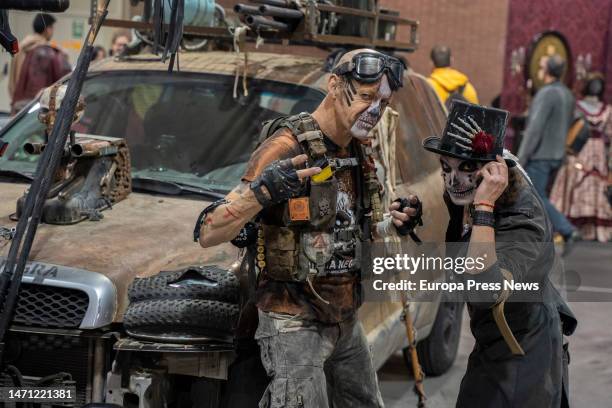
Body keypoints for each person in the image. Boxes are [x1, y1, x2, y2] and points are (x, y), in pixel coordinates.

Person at [196, 49, 420, 407]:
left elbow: (345, 227)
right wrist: (263, 191)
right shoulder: (287, 146)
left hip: (344, 315)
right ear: (334, 85)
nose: (374, 111)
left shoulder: (358, 150)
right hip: (294, 321)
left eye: (382, 101)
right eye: (365, 96)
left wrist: (391, 221)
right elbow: (209, 232)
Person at [423, 100, 576, 408]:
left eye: (467, 168)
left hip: (523, 348)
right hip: (493, 339)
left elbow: (483, 290)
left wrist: (483, 209)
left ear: (496, 171)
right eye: (446, 168)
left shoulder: (522, 218)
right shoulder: (475, 190)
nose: (454, 180)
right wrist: (416, 217)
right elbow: (459, 239)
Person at [517, 54, 579, 251]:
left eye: (542, 66)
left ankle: (566, 229)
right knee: (538, 195)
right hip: (557, 154)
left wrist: (520, 158)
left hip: (541, 155)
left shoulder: (546, 93)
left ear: (547, 71)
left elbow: (535, 129)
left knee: (536, 196)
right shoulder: (568, 94)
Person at [550, 73, 612, 242]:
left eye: (599, 84)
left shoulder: (607, 110)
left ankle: (593, 227)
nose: (596, 87)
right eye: (593, 83)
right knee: (575, 180)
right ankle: (570, 225)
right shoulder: (576, 107)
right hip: (579, 149)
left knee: (596, 184)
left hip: (598, 153)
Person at [8, 13, 71, 113]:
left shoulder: (21, 48)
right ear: (47, 29)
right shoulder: (47, 52)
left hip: (18, 104)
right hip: (36, 109)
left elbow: (13, 80)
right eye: (52, 28)